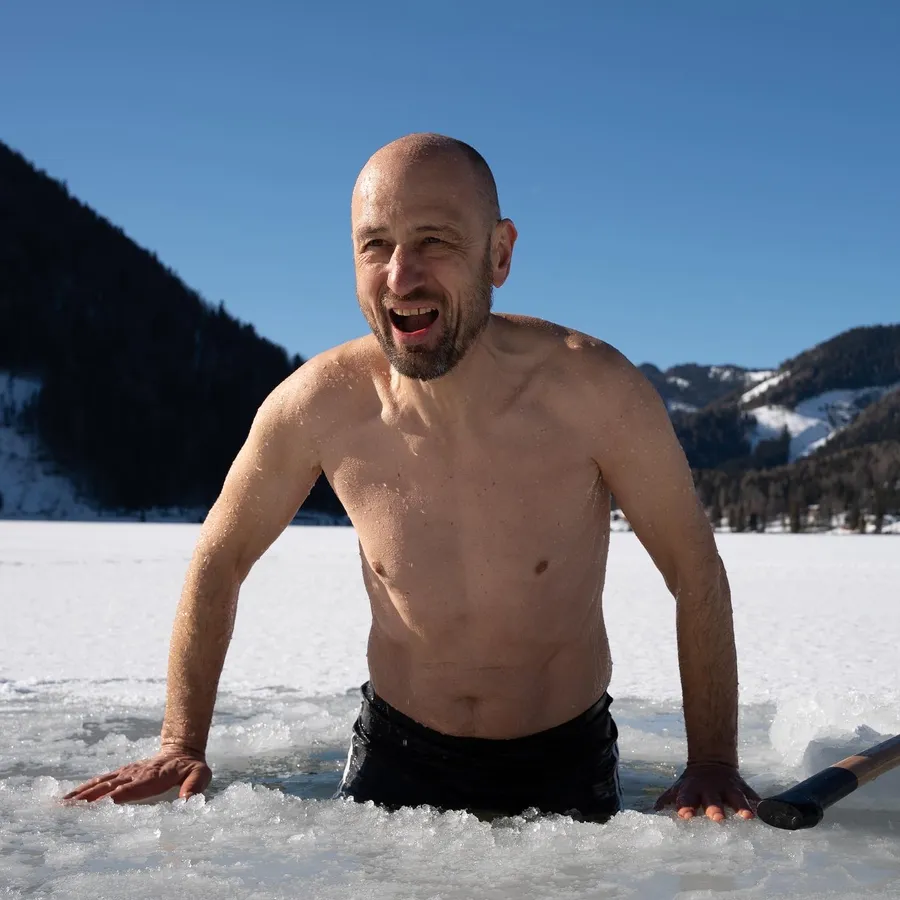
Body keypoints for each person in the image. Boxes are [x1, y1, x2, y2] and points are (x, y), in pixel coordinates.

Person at [65, 133, 759, 823]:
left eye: (434, 241)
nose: (400, 276)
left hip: (564, 759)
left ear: (500, 253)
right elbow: (221, 556)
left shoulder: (597, 393)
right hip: (397, 756)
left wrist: (713, 764)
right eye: (375, 245)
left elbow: (693, 568)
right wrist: (180, 742)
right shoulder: (318, 404)